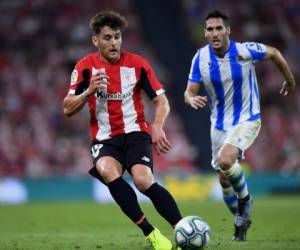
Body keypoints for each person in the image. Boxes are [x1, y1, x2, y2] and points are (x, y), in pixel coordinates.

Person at [63, 11, 182, 250]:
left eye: (117, 37)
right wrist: (88, 93)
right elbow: (67, 108)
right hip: (105, 138)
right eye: (107, 37)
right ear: (95, 40)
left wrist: (157, 125)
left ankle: (182, 229)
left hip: (136, 133)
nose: (114, 42)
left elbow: (161, 100)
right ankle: (151, 233)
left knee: (142, 180)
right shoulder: (85, 67)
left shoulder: (138, 64)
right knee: (106, 169)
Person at [184, 10, 295, 241]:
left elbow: (273, 53)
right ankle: (240, 220)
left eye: (219, 28)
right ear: (205, 33)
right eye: (210, 29)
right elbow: (189, 90)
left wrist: (289, 79)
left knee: (226, 160)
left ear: (228, 30)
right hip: (219, 125)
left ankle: (245, 201)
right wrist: (191, 98)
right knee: (224, 178)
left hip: (247, 118)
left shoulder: (244, 51)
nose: (214, 33)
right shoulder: (200, 58)